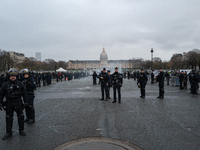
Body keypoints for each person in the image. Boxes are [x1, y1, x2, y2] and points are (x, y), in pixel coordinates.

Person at [0, 68, 28, 140]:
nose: (13, 77)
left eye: (14, 76)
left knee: (21, 116)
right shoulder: (5, 85)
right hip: (9, 102)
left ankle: (21, 130)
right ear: (9, 76)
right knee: (8, 117)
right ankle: (8, 132)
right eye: (11, 76)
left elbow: (25, 94)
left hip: (18, 102)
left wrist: (26, 102)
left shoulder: (20, 84)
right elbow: (1, 94)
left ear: (16, 76)